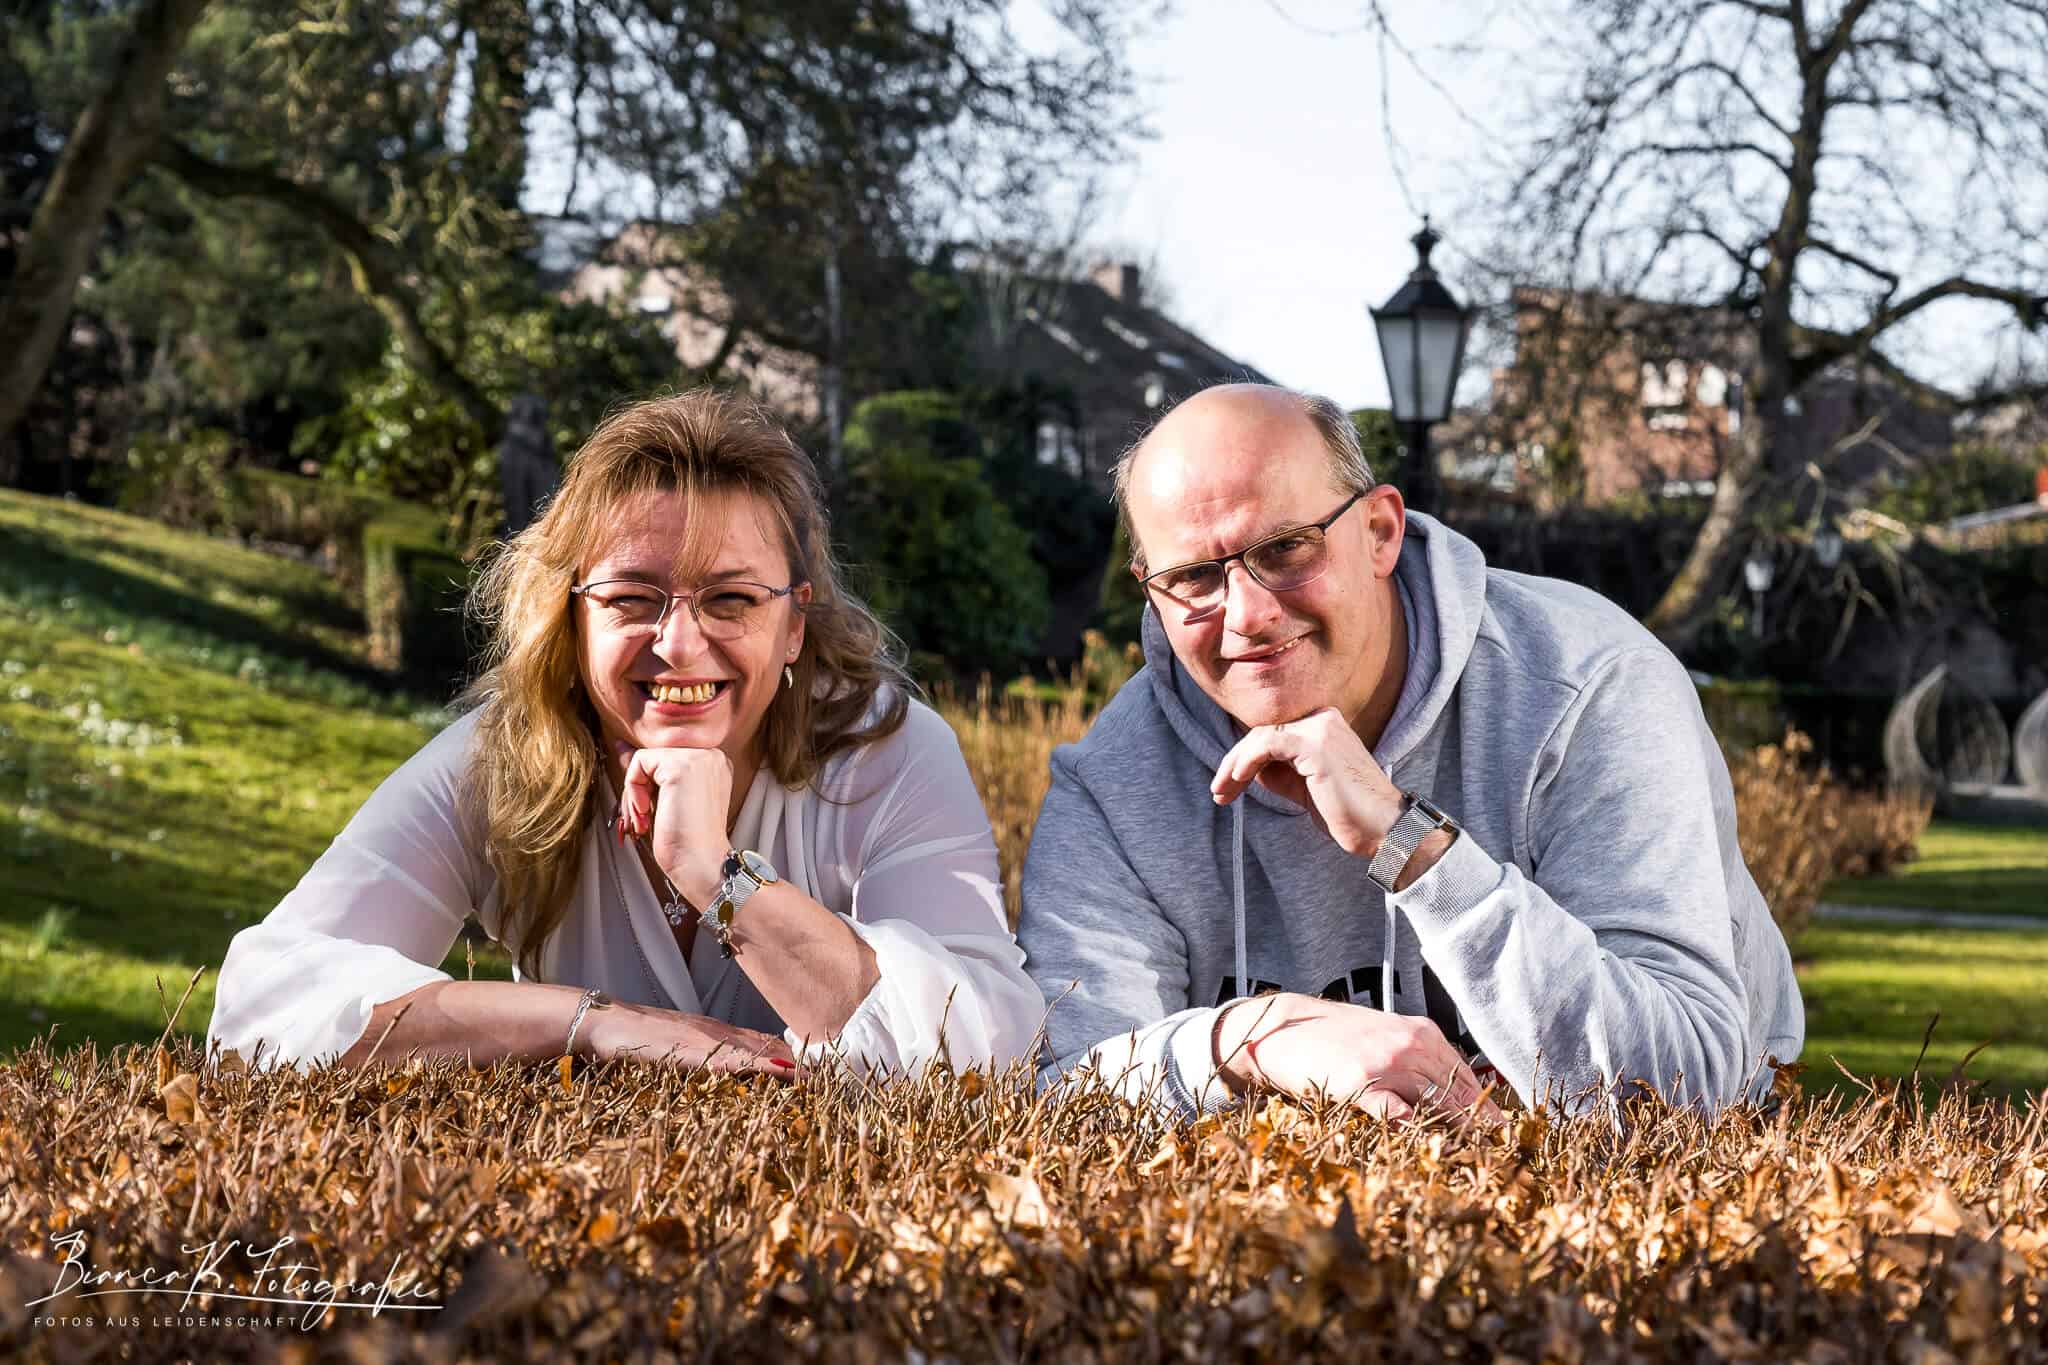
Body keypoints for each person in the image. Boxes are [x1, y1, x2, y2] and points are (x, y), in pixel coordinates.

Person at [1017, 383, 1804, 1122]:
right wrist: (1249, 1037)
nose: (1249, 614)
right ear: (1150, 590)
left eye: (1287, 549)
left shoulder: (1587, 686)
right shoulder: (1113, 783)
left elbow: (1687, 1088)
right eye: (1194, 576)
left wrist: (1413, 847)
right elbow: (1063, 1093)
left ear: (1381, 532)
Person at [210, 390, 1042, 1077]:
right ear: (571, 615)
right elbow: (262, 1011)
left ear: (796, 625)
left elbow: (984, 1048)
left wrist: (717, 874)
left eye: (732, 599)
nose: (679, 643)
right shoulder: (502, 756)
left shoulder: (891, 752)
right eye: (631, 598)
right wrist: (592, 1022)